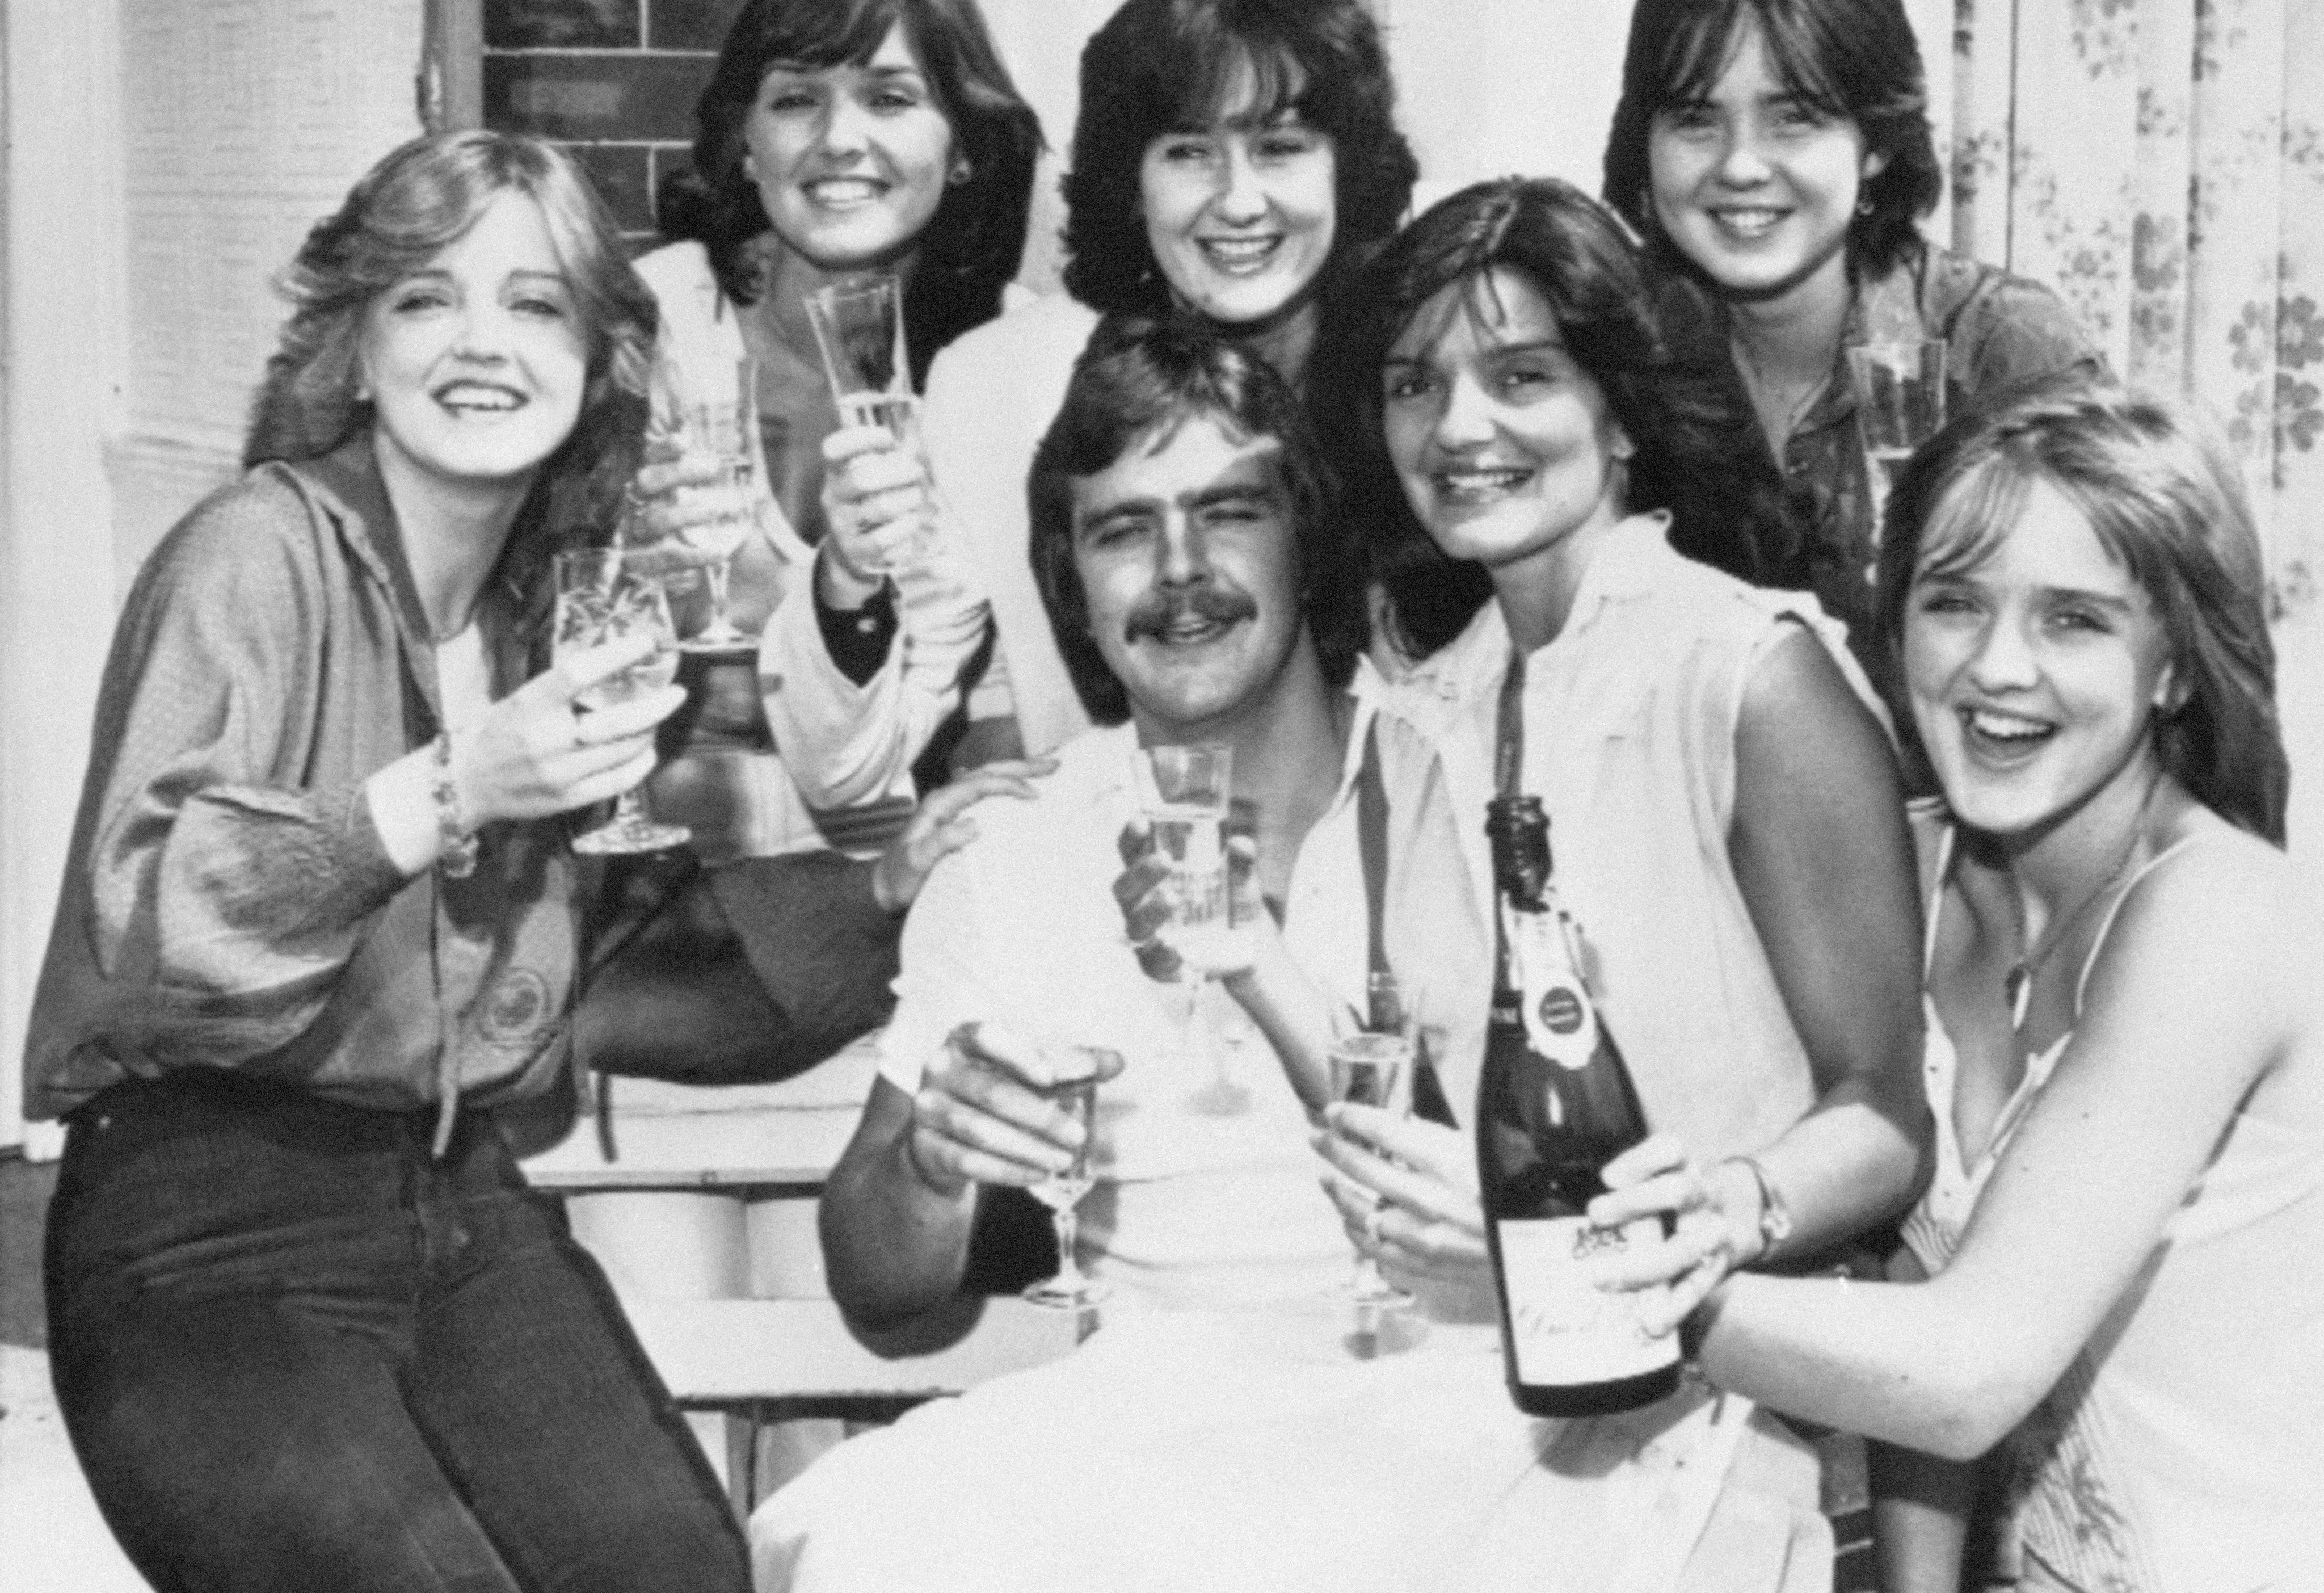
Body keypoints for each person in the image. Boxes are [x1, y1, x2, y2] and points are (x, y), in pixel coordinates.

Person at [27, 131, 751, 1590]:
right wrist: (455, 782)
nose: (485, 341)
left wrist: (902, 871)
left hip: (452, 1198)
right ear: (354, 349)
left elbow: (621, 939)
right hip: (199, 1221)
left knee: (682, 1577)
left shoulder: (554, 611)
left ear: (594, 362)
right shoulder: (251, 553)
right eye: (428, 298)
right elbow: (148, 919)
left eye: (538, 304)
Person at [752, 314, 1497, 1592]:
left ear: (1304, 535)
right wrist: (934, 1162)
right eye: (1121, 530)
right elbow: (874, 1286)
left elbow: (1514, 1200)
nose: (1179, 569)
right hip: (1152, 1434)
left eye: (1226, 512)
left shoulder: (1452, 778)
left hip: (1457, 1419)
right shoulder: (1020, 841)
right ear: (1073, 585)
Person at [1310, 178, 1933, 1588]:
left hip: (1736, 1408)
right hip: (1490, 1381)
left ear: (1624, 407)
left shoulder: (1750, 676)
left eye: (1519, 374)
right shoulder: (1416, 716)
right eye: (1415, 385)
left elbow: (1886, 1119)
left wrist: (1714, 1213)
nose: (1457, 427)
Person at [1679, 383, 2323, 1593]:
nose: (1994, 666)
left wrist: (1601, 1295)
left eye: (2072, 619)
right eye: (1952, 602)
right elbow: (1917, 1296)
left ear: (2173, 665)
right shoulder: (1909, 874)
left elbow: (1964, 1364)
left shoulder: (2220, 913)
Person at [767, 0, 1421, 775]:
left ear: (1347, 167)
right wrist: (850, 583)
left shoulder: (1418, 374)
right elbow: (853, 756)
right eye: (1189, 152)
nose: (1239, 201)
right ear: (1130, 179)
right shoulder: (1002, 387)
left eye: (1281, 147)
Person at [1600, 0, 2104, 708]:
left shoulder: (2007, 353)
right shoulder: (1618, 357)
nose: (1739, 165)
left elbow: (2129, 669)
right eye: (1696, 118)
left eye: (1792, 116)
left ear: (1875, 142)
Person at [629, 0, 1044, 863]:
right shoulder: (661, 322)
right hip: (662, 867)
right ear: (744, 145)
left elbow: (1012, 703)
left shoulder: (1010, 362)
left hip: (895, 863)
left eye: (890, 98)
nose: (840, 139)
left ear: (967, 144)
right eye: (796, 99)